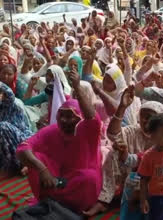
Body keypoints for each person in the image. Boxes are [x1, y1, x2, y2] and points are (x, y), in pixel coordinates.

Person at [16, 69, 102, 212]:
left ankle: (68, 205)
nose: (64, 120)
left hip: (78, 180)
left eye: (70, 116)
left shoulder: (87, 130)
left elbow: (92, 118)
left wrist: (77, 88)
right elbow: (23, 148)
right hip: (55, 179)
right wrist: (42, 169)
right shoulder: (52, 130)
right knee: (35, 158)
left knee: (89, 178)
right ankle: (51, 201)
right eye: (61, 115)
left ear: (79, 118)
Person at [0, 71, 31, 179]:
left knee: (2, 127)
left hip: (23, 145)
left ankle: (12, 168)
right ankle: (20, 165)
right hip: (2, 153)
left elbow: (9, 93)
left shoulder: (6, 106)